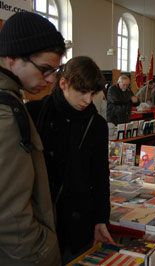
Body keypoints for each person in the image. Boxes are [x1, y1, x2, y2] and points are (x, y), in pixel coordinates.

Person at [26, 56, 115, 263]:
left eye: (93, 93)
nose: (88, 100)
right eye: (82, 92)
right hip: (39, 222)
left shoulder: (97, 124)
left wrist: (101, 219)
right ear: (64, 83)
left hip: (80, 224)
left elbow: (100, 176)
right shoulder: (35, 113)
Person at [0, 12, 66, 265]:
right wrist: (44, 249)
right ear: (13, 58)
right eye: (45, 69)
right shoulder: (6, 113)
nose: (51, 80)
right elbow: (9, 215)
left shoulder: (13, 101)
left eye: (55, 70)